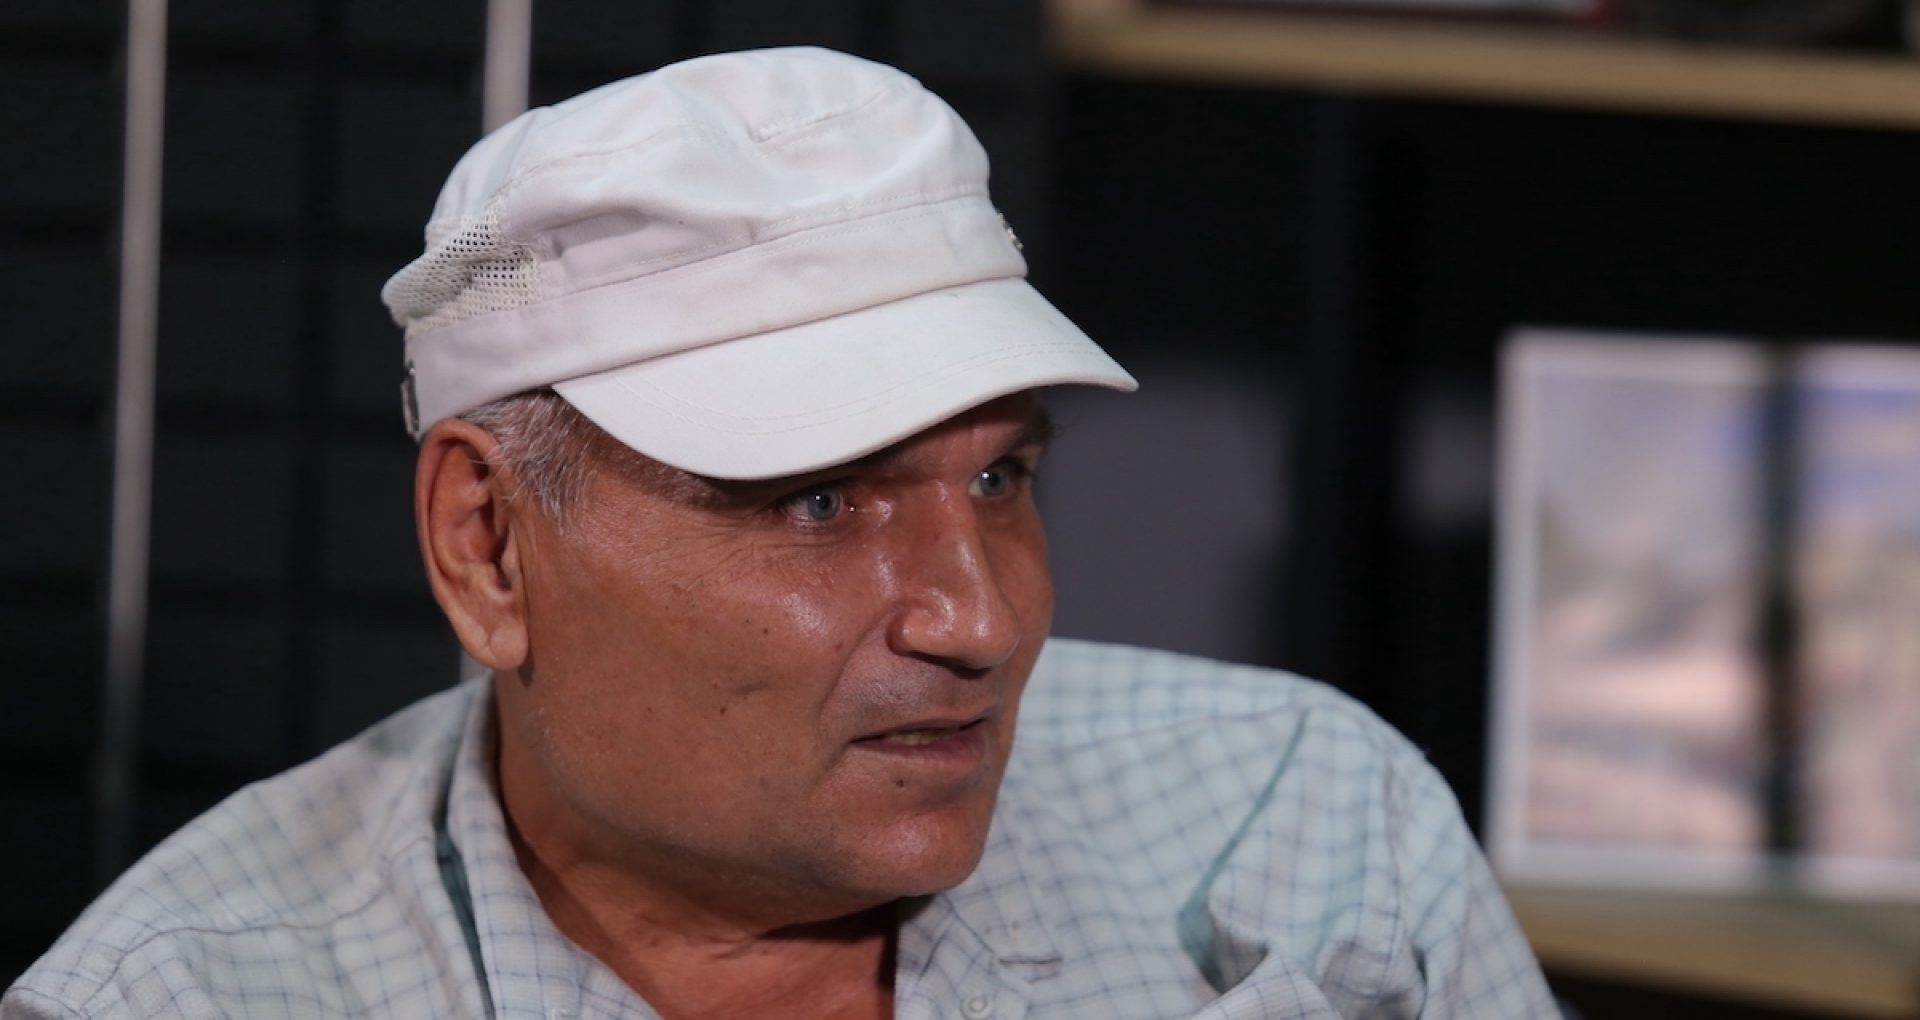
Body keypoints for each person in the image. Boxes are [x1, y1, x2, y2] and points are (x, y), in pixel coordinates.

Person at [4, 47, 1554, 1019]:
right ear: (489, 545)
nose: (978, 621)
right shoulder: (193, 996)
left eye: (1002, 481)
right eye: (820, 501)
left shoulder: (1309, 820)